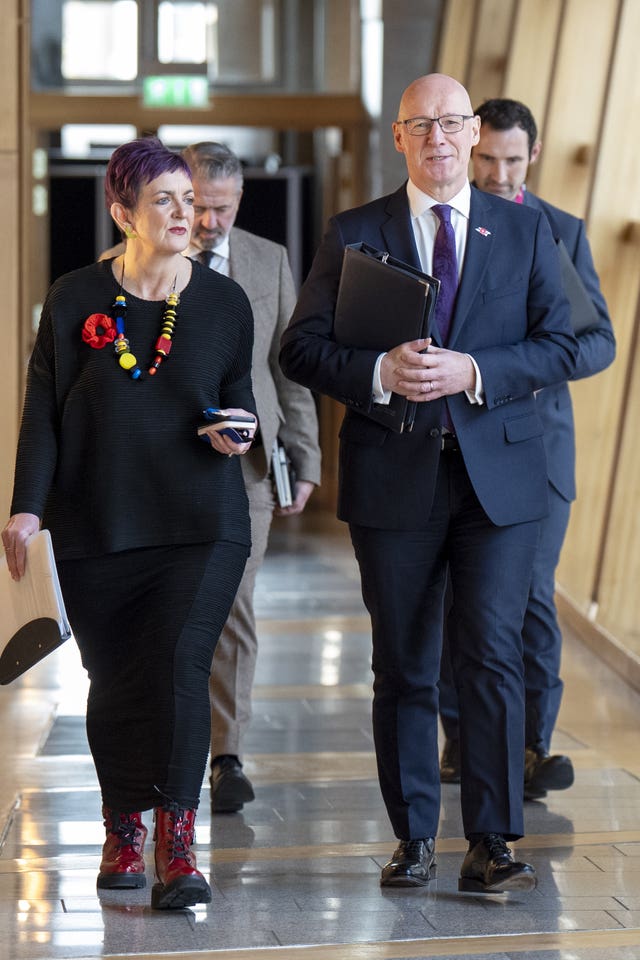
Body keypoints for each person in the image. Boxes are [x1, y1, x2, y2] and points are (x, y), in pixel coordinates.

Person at [280, 73, 579, 893]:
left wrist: (476, 368)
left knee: (489, 654)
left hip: (500, 486)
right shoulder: (355, 231)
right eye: (424, 126)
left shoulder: (522, 235)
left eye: (455, 123)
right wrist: (377, 370)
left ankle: (491, 841)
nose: (441, 139)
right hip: (394, 478)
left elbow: (569, 343)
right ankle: (413, 836)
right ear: (401, 138)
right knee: (406, 664)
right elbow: (300, 349)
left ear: (474, 131)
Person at [1, 137, 257, 910]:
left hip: (201, 524)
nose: (187, 215)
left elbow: (240, 400)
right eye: (166, 203)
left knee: (179, 668)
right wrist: (25, 506)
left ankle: (178, 842)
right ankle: (123, 827)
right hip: (97, 525)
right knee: (112, 682)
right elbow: (43, 412)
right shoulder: (77, 297)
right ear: (123, 212)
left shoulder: (223, 303)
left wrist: (239, 433)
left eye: (190, 201)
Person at [438, 98, 615, 799]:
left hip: (539, 450)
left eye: (514, 160)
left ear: (533, 156)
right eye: (489, 159)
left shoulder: (558, 231)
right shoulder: (446, 230)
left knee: (533, 597)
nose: (501, 173)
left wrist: (526, 365)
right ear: (471, 151)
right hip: (459, 444)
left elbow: (597, 340)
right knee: (463, 595)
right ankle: (460, 737)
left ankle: (535, 745)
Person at [180, 141, 321, 813]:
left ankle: (227, 753)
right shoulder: (145, 258)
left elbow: (288, 366)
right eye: (202, 207)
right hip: (166, 465)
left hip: (250, 465)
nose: (210, 222)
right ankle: (170, 743)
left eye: (224, 208)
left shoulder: (269, 260)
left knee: (235, 604)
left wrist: (307, 459)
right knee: (169, 606)